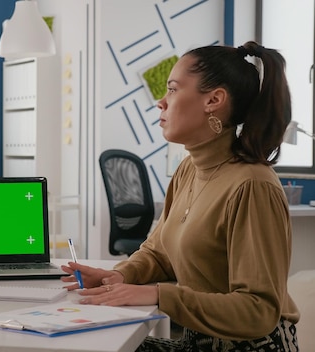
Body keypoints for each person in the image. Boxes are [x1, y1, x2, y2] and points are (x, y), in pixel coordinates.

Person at [61, 41, 300, 351]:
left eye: (173, 90)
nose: (161, 102)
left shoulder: (252, 185)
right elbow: (159, 253)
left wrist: (160, 294)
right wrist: (117, 276)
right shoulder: (190, 168)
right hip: (201, 342)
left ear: (213, 100)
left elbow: (259, 311)